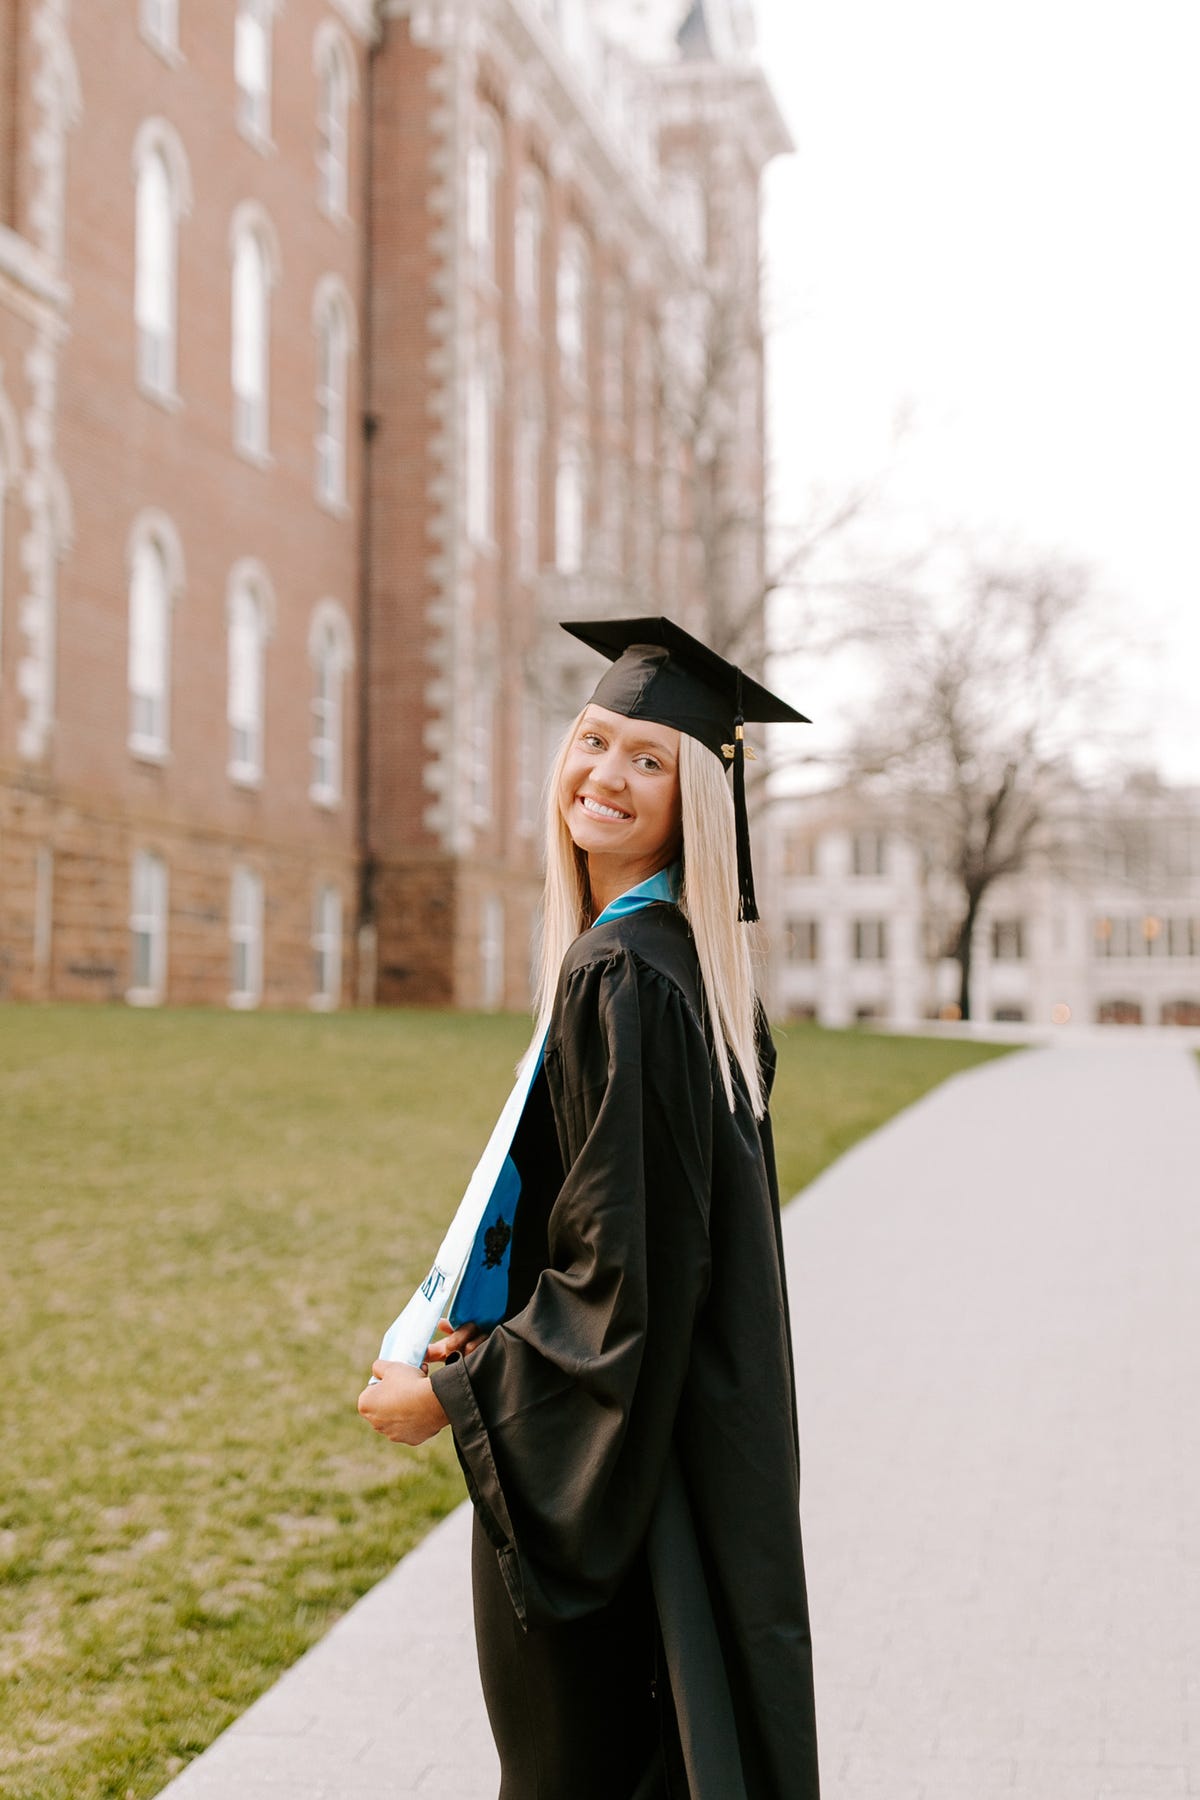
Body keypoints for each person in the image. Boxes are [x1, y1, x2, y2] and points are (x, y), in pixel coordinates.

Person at [358, 618, 820, 1799]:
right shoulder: (674, 969)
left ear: (697, 805)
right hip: (673, 1463)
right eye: (595, 741)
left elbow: (622, 1286)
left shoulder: (625, 978)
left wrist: (451, 1395)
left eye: (650, 760)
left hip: (613, 1488)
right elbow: (630, 1239)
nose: (607, 776)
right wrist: (491, 1327)